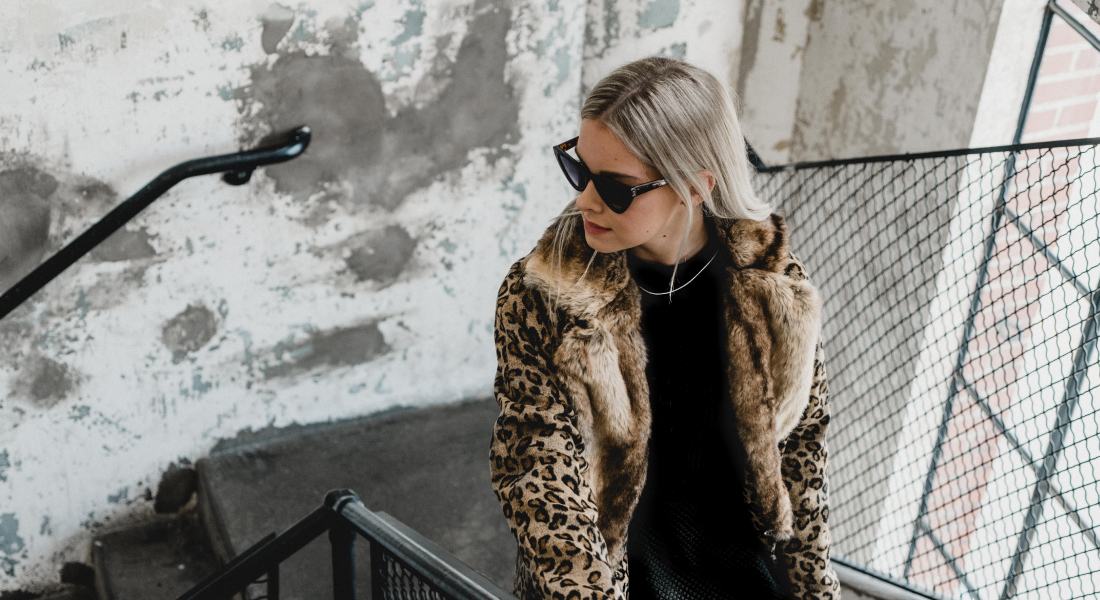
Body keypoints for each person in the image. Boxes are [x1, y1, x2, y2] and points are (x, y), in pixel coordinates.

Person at [490, 56, 840, 600]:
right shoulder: (544, 294)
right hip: (611, 580)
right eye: (579, 169)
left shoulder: (773, 285)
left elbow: (802, 450)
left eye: (616, 187)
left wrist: (816, 588)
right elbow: (537, 467)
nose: (584, 200)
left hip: (744, 575)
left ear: (695, 186)